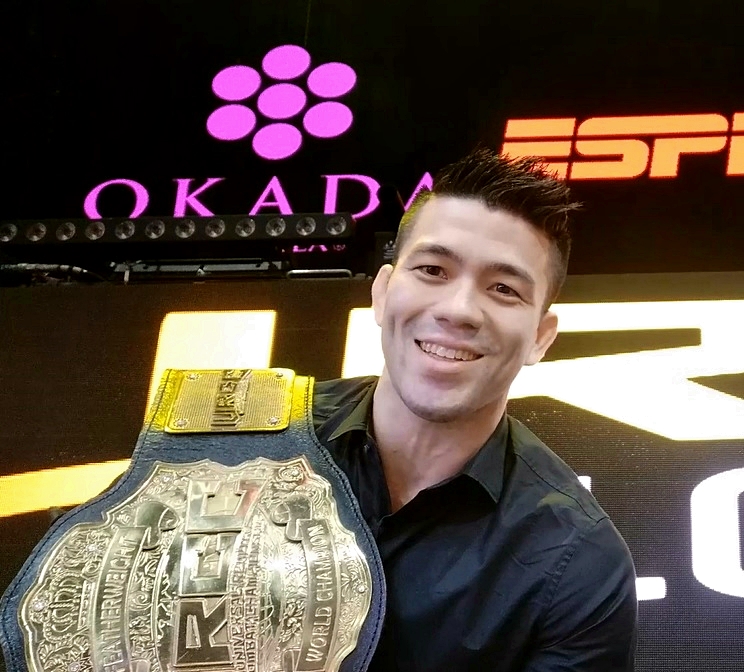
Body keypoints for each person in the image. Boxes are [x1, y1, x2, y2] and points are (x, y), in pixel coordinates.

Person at [311, 148, 637, 671]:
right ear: (382, 293)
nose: (459, 310)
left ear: (540, 337)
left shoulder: (578, 561)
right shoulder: (243, 441)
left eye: (504, 289)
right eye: (432, 269)